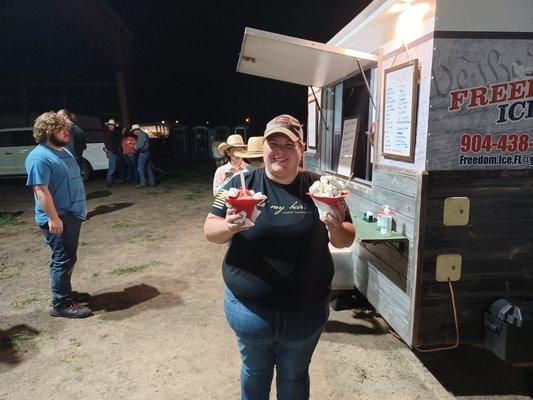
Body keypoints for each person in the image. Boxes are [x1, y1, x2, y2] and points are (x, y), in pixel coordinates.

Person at [204, 114, 355, 400]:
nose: (280, 150)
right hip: (249, 310)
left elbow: (346, 237)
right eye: (274, 143)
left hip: (305, 312)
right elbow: (210, 231)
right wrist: (229, 226)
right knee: (255, 373)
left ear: (302, 149)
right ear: (263, 148)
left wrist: (336, 225)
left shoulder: (321, 188)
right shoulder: (239, 184)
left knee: (295, 376)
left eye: (289, 144)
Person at [24, 112, 91, 318]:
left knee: (69, 257)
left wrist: (81, 208)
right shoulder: (38, 157)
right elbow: (41, 191)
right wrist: (53, 218)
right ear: (48, 132)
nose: (67, 133)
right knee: (62, 259)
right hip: (59, 218)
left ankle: (66, 292)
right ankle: (60, 303)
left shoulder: (64, 151)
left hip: (72, 214)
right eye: (63, 130)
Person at [103, 119, 121, 186]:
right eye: (111, 125)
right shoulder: (108, 133)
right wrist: (111, 151)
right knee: (112, 167)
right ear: (108, 125)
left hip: (112, 151)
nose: (112, 126)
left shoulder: (110, 132)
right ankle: (109, 181)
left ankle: (111, 181)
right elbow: (109, 144)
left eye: (113, 125)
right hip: (112, 151)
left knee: (113, 167)